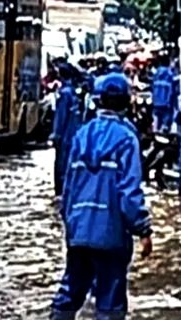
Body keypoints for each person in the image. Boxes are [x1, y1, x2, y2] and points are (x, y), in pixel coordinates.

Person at [51, 72, 152, 320]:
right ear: (126, 102)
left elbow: (68, 188)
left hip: (79, 232)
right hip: (111, 235)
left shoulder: (81, 135)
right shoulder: (127, 139)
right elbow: (129, 194)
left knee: (70, 293)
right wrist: (144, 229)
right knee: (110, 302)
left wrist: (71, 224)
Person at [50, 60, 83, 198]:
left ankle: (60, 195)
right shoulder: (75, 92)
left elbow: (60, 116)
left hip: (65, 138)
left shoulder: (64, 93)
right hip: (75, 136)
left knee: (61, 168)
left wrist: (55, 135)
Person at [150, 53, 178, 133]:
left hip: (156, 103)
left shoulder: (156, 74)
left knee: (156, 122)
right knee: (165, 126)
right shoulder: (170, 75)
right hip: (167, 104)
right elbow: (174, 91)